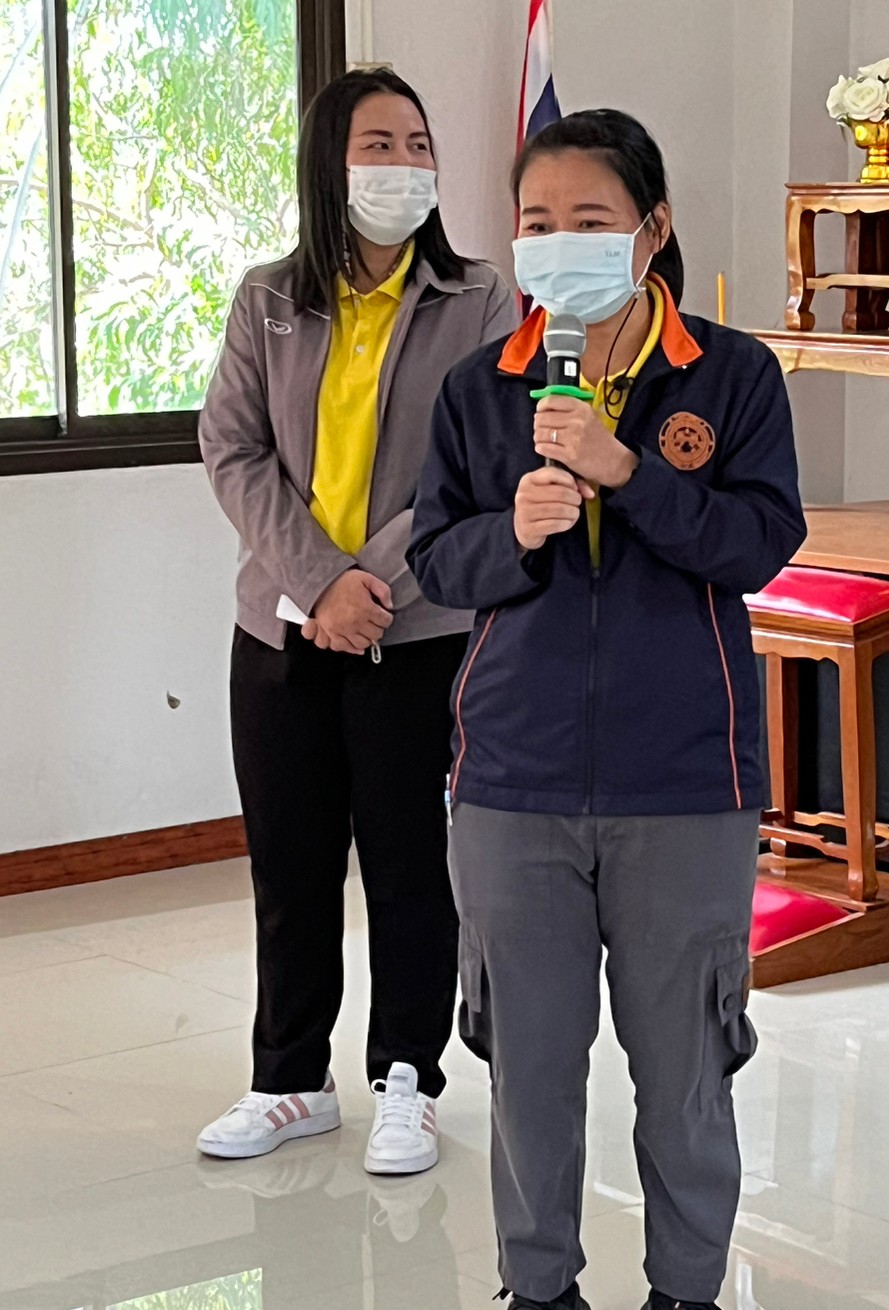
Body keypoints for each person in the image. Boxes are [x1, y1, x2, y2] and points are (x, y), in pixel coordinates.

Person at [409, 109, 805, 1310]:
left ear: (652, 228)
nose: (558, 243)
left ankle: (687, 1296)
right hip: (512, 775)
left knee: (684, 1061)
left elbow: (757, 544)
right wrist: (512, 533)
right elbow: (437, 561)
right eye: (536, 222)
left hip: (684, 776)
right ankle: (538, 1292)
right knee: (527, 1060)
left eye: (589, 220)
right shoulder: (481, 388)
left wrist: (626, 471)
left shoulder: (729, 377)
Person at [196, 69, 516, 1173]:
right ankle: (288, 1078)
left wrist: (365, 586)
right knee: (288, 866)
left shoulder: (479, 299)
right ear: (328, 163)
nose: (404, 164)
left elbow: (479, 465)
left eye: (418, 143)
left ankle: (407, 1078)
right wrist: (317, 581)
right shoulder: (269, 299)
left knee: (408, 865)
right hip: (279, 630)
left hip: (417, 630)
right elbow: (232, 448)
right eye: (378, 144)